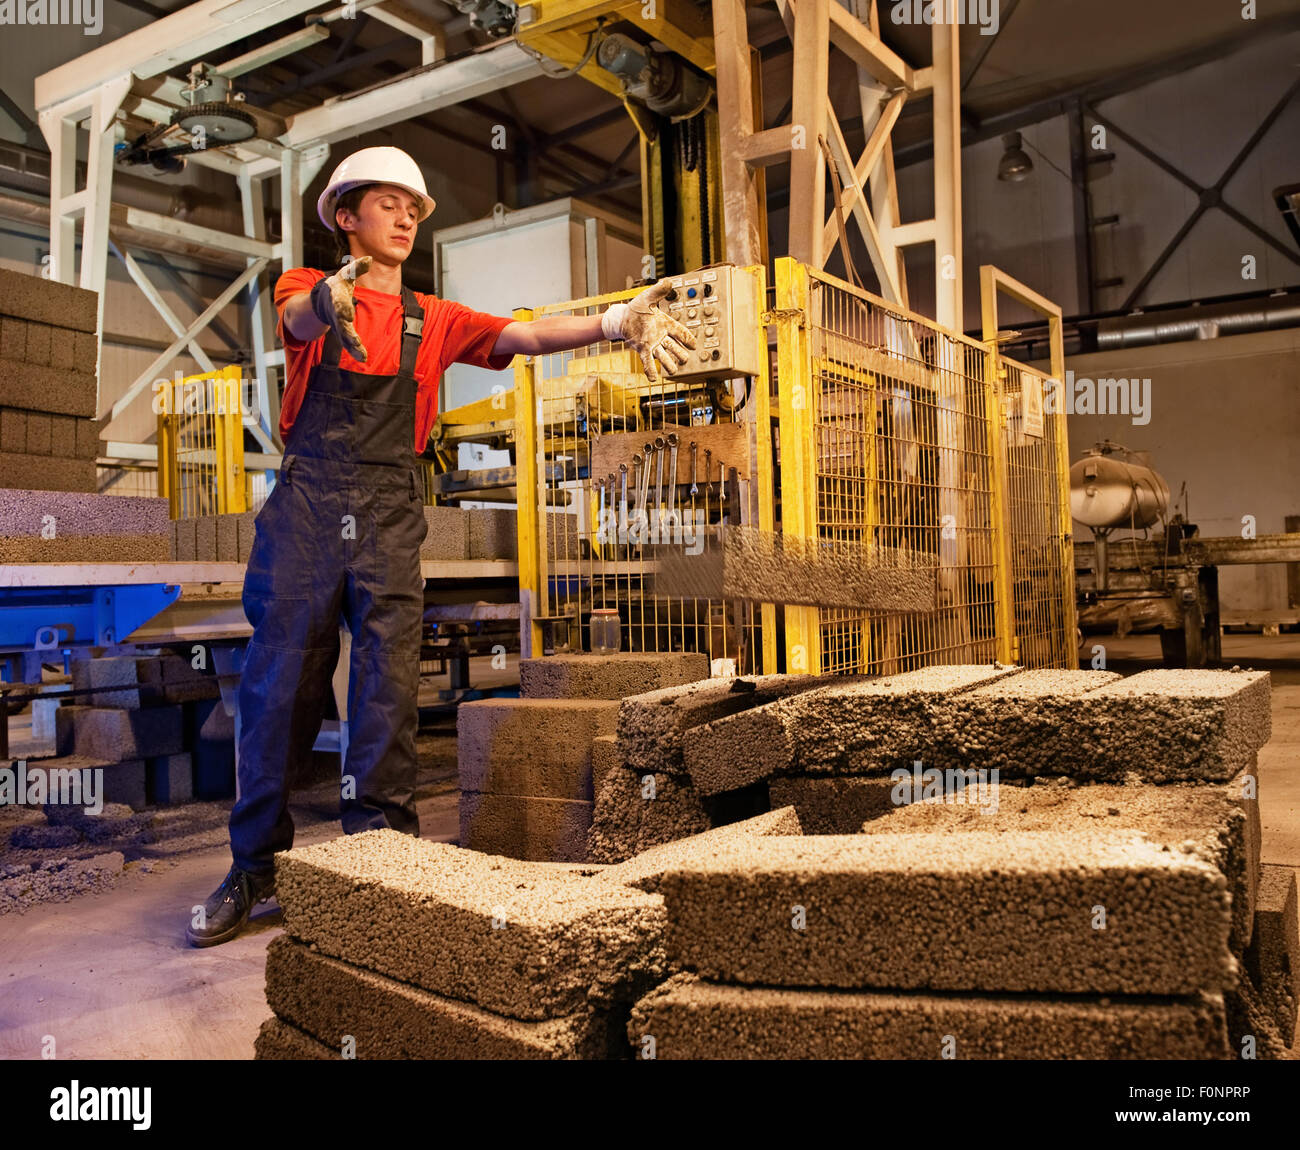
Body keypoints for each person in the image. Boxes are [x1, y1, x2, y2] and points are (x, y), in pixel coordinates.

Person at [186, 145, 694, 946]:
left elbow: (524, 336)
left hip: (391, 507)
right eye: (385, 203)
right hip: (308, 506)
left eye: (413, 207)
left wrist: (616, 320)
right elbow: (296, 318)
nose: (404, 217)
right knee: (278, 686)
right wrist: (329, 301)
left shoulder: (435, 317)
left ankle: (383, 856)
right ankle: (253, 868)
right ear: (346, 217)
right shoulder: (301, 288)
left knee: (387, 686)